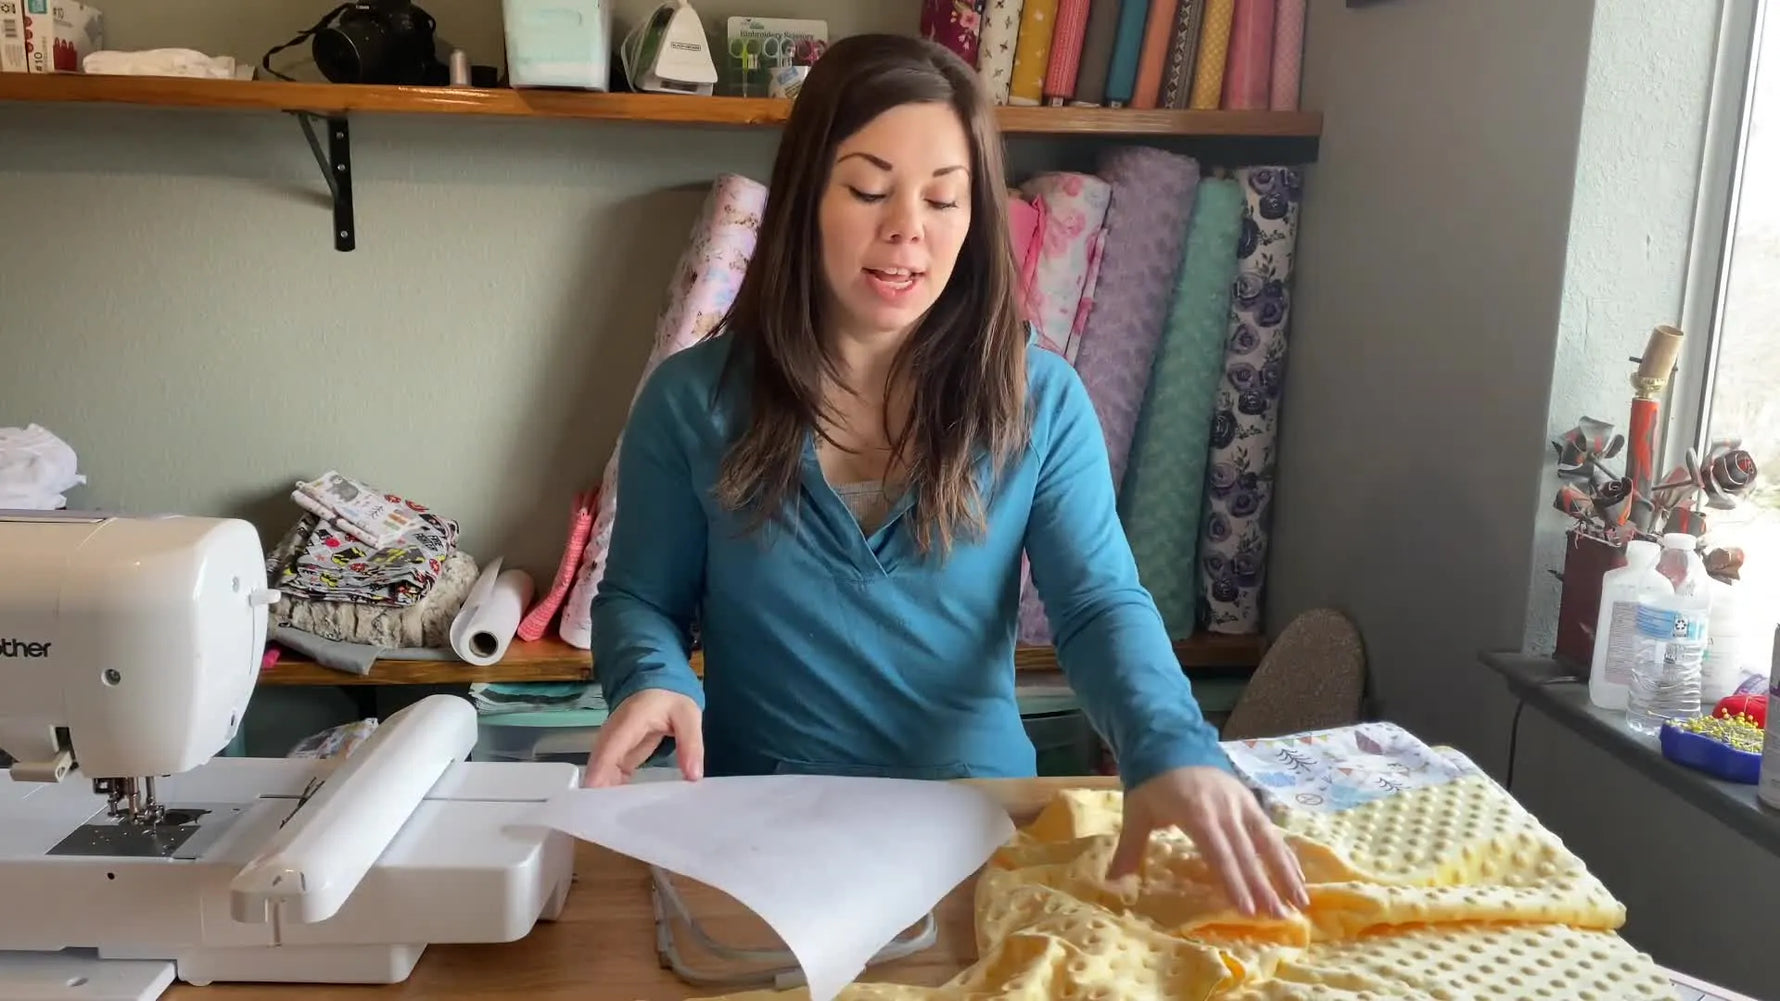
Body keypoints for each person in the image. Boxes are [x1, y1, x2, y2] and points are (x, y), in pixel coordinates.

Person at [584, 32, 1307, 918]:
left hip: (978, 832)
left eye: (944, 198)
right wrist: (653, 675)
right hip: (758, 835)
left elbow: (1098, 605)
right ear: (808, 193)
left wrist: (1171, 744)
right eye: (868, 189)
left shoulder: (1040, 398)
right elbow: (639, 600)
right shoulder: (694, 399)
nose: (907, 232)